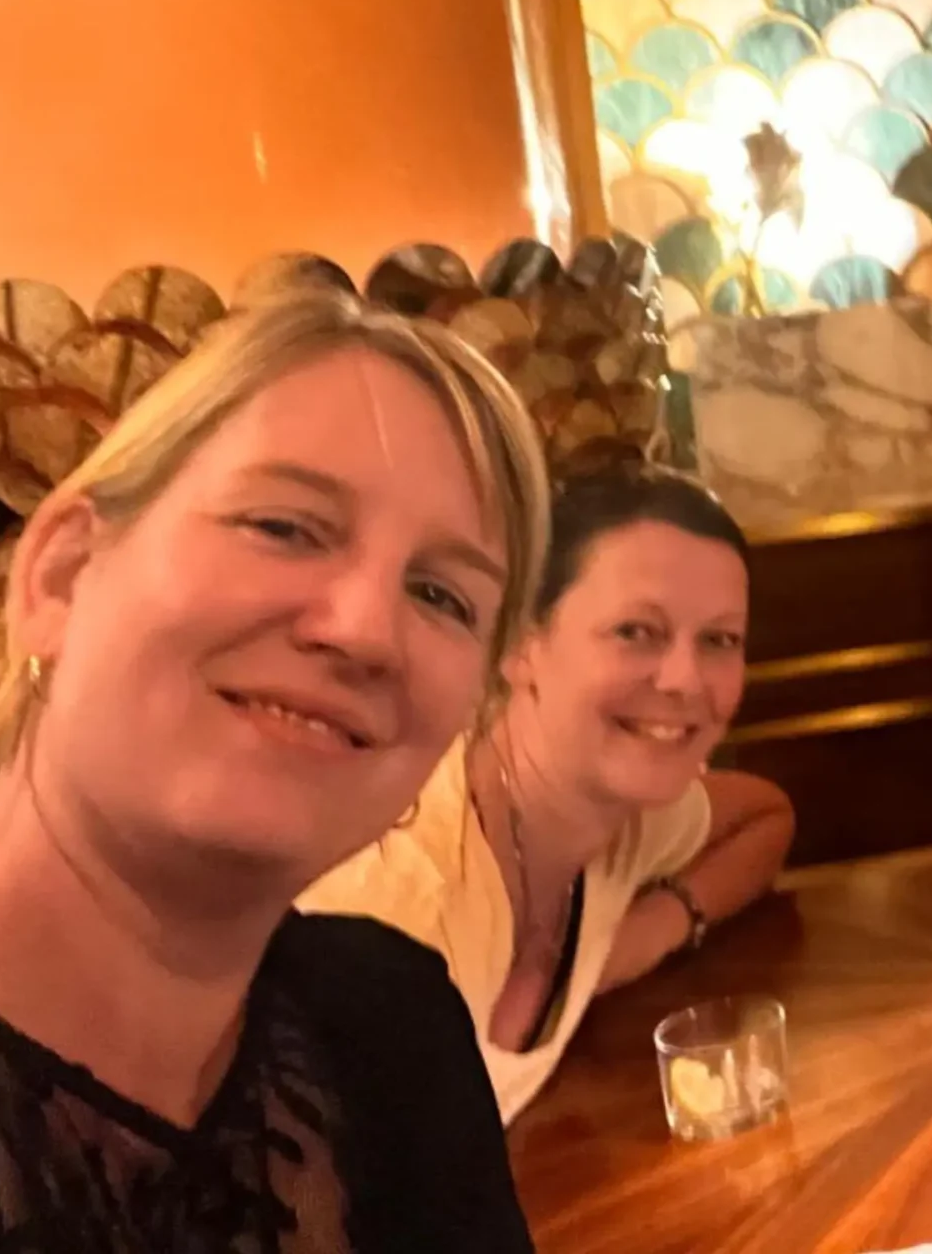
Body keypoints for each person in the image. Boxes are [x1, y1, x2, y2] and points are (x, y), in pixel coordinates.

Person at [0, 295, 555, 1250]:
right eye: (285, 526)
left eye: (442, 595)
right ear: (62, 576)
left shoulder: (394, 1035)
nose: (364, 630)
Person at [301, 467, 795, 1123]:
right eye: (635, 631)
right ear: (517, 646)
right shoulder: (396, 911)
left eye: (719, 640)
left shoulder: (623, 823)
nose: (684, 679)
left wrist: (650, 932)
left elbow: (765, 817)